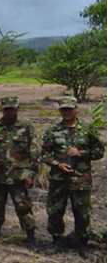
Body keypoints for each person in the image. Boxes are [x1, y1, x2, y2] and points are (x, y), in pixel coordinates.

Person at [40, 96, 105, 250]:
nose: (66, 112)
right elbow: (44, 155)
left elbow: (99, 152)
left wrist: (81, 153)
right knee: (55, 211)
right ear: (60, 111)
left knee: (82, 212)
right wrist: (57, 164)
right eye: (63, 109)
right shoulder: (52, 131)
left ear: (76, 110)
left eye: (69, 109)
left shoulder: (88, 130)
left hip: (80, 179)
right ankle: (57, 241)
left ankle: (82, 243)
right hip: (58, 179)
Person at [0, 96, 38, 249]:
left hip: (19, 175)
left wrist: (31, 174)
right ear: (2, 109)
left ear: (17, 109)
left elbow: (34, 152)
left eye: (12, 109)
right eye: (6, 109)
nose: (9, 112)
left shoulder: (26, 127)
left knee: (23, 205)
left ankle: (30, 235)